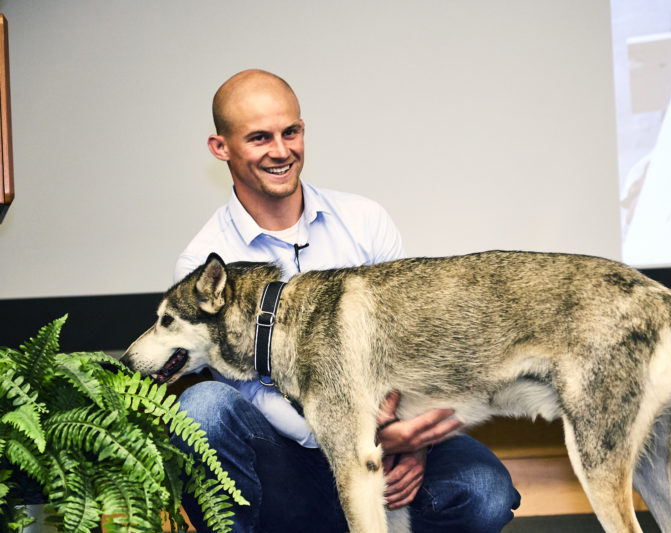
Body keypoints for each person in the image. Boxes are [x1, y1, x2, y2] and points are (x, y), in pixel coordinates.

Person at [172, 69, 520, 533]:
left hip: (390, 437)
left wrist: (409, 446)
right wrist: (361, 441)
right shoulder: (202, 264)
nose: (281, 152)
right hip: (290, 458)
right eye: (259, 138)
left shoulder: (364, 219)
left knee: (484, 492)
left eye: (290, 132)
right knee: (204, 409)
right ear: (221, 148)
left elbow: (410, 345)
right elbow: (249, 393)